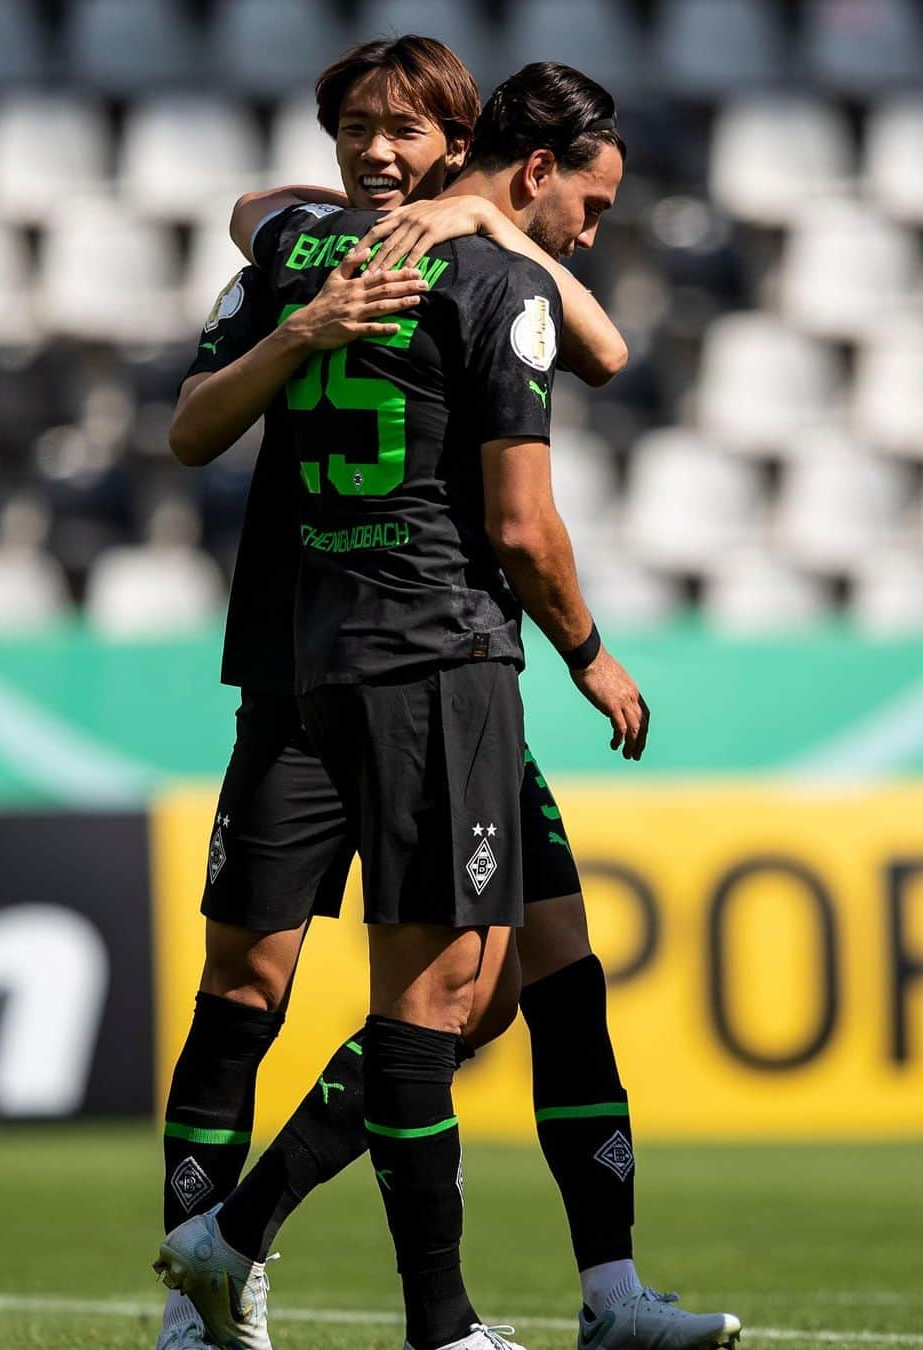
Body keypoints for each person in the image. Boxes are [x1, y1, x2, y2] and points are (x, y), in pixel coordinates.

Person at [156, 47, 740, 1350]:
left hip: (376, 662)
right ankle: (280, 1279)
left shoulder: (375, 246)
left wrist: (468, 221)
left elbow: (261, 213)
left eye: (400, 132)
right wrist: (590, 651)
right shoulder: (417, 265)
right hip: (417, 659)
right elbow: (539, 477)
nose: (376, 152)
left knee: (539, 975)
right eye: (357, 129)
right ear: (536, 169)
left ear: (458, 146)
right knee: (410, 993)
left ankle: (605, 1294)